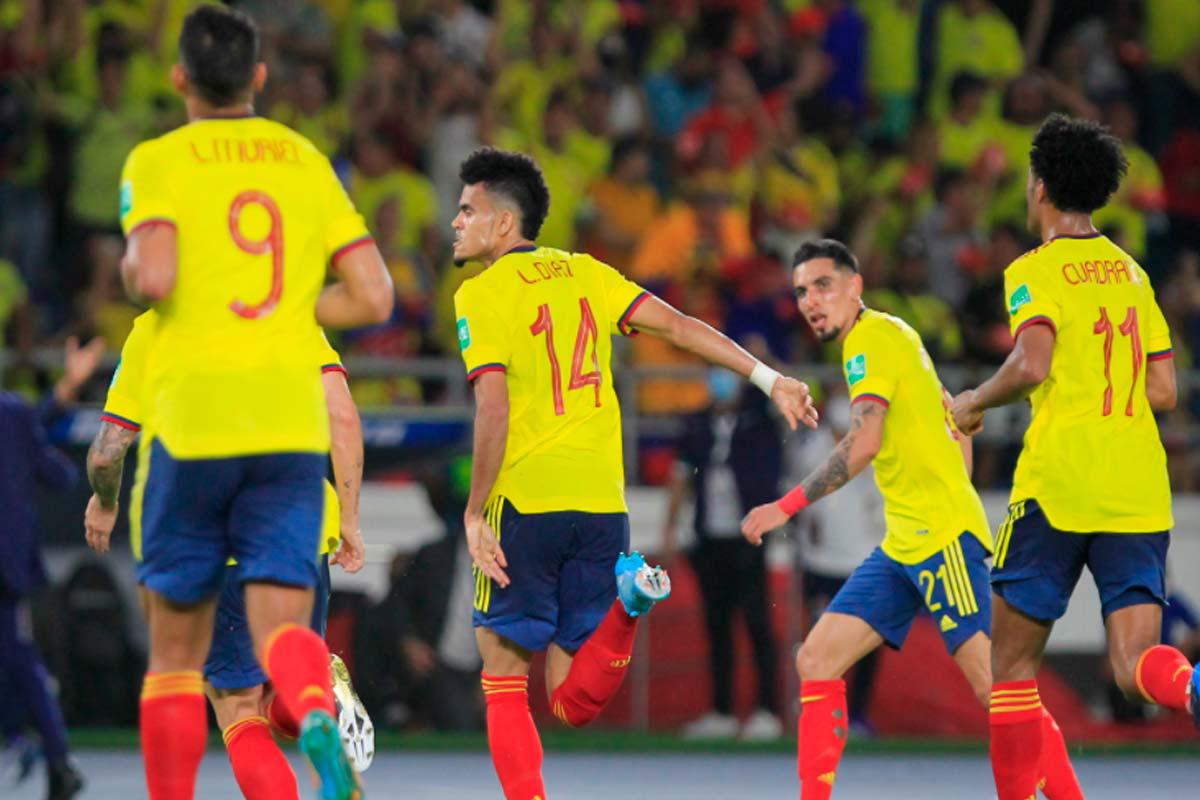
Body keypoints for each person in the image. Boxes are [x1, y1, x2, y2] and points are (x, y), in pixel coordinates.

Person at [450, 146, 817, 800]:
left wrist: (476, 511)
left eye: (467, 210)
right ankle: (628, 608)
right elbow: (676, 326)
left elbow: (493, 405)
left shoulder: (479, 293)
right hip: (600, 505)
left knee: (504, 681)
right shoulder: (588, 272)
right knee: (571, 700)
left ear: (503, 225)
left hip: (526, 501)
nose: (455, 222)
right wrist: (767, 376)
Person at [93, 6, 393, 798]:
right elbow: (374, 296)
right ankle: (317, 715)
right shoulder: (304, 160)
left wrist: (136, 273)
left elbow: (152, 278)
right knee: (284, 633)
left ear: (180, 78)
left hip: (197, 431)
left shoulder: (159, 160)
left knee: (180, 663)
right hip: (289, 435)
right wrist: (293, 306)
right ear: (259, 77)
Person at [741, 239, 1081, 800]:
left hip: (941, 537)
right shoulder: (894, 333)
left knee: (999, 691)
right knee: (817, 658)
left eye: (823, 285)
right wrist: (948, 487)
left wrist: (784, 506)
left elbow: (864, 442)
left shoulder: (868, 343)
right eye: (801, 291)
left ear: (855, 287)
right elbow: (956, 423)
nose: (810, 301)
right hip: (906, 541)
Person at [951, 113, 1196, 800]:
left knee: (1012, 665)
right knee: (1135, 665)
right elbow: (1165, 388)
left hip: (1058, 485)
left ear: (1039, 188)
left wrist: (974, 398)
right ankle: (1195, 685)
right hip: (1137, 486)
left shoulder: (1033, 270)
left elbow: (1031, 363)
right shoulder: (1132, 272)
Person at [83, 309, 375, 797]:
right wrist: (349, 519)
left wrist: (104, 500)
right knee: (289, 667)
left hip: (207, 542)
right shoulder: (287, 311)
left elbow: (107, 451)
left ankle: (314, 715)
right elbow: (342, 415)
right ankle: (318, 716)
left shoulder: (152, 329)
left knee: (238, 708)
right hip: (297, 526)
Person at [0, 336, 104, 800]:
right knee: (19, 660)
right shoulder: (14, 415)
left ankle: (45, 751)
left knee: (18, 660)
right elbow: (58, 474)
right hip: (9, 562)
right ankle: (52, 755)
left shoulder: (15, 417)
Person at [664, 367, 783, 740]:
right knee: (717, 627)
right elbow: (680, 474)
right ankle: (722, 711)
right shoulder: (697, 423)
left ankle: (768, 711)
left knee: (758, 624)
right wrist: (671, 525)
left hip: (748, 537)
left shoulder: (758, 423)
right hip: (709, 538)